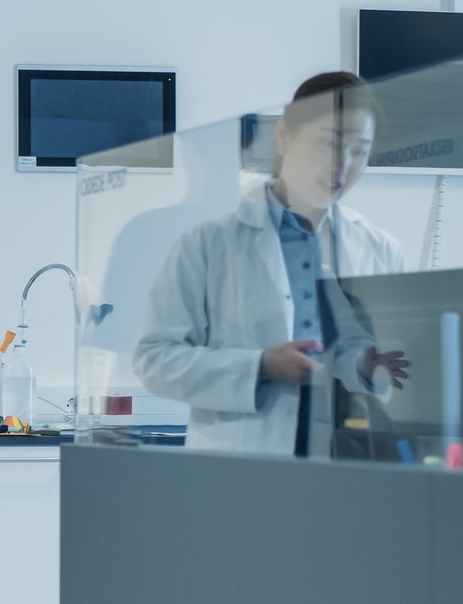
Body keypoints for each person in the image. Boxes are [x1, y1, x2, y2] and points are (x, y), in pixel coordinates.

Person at [135, 72, 410, 455]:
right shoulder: (208, 244)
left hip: (345, 462)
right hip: (241, 464)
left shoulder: (379, 248)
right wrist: (261, 366)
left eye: (359, 151)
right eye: (329, 144)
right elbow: (154, 359)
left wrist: (367, 365)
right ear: (285, 137)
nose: (342, 166)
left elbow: (375, 364)